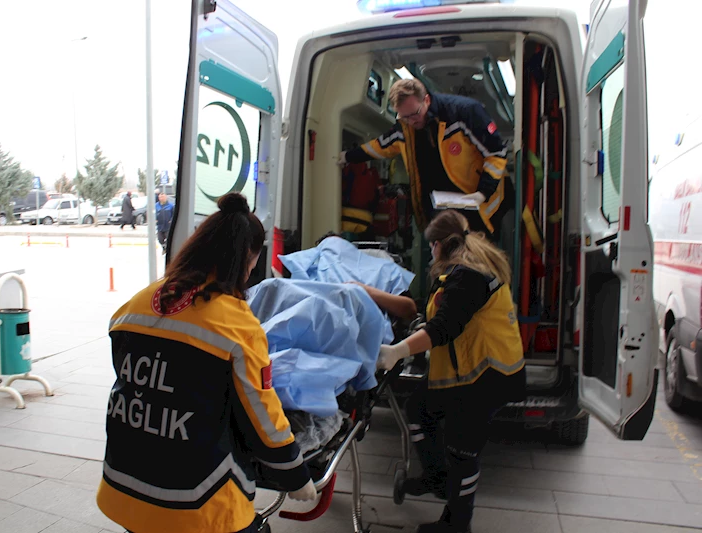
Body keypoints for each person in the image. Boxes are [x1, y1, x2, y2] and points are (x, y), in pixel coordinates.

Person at [97, 193, 316, 533]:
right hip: (195, 500)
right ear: (248, 257)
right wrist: (294, 473)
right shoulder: (237, 325)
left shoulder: (135, 304)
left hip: (122, 486)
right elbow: (262, 415)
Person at [376, 210, 525, 533]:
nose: (431, 252)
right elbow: (442, 317)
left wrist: (397, 352)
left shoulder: (468, 275)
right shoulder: (463, 270)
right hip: (471, 372)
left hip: (485, 377)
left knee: (462, 451)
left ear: (441, 245)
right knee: (420, 408)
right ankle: (436, 478)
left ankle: (457, 524)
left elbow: (446, 326)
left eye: (432, 246)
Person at [337, 78, 511, 239]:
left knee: (481, 256)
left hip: (480, 204)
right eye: (404, 117)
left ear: (426, 100)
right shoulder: (405, 127)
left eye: (415, 114)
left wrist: (482, 193)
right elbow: (380, 146)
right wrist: (347, 156)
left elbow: (496, 153)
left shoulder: (464, 112)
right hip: (441, 206)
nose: (411, 121)